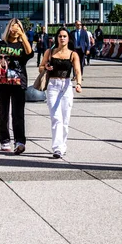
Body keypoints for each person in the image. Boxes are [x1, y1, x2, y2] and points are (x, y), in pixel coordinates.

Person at [0, 18, 33, 154]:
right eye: (13, 27)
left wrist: (22, 35)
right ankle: (4, 139)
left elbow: (30, 53)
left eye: (18, 27)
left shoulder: (22, 45)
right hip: (2, 83)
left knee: (18, 113)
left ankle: (20, 141)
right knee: (4, 113)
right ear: (8, 29)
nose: (15, 30)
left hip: (18, 83)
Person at [39, 27, 83, 158]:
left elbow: (77, 71)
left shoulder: (73, 54)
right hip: (53, 85)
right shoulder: (50, 52)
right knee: (56, 117)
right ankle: (57, 148)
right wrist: (45, 67)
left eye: (64, 36)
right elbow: (40, 67)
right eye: (60, 36)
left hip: (66, 86)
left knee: (65, 119)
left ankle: (63, 145)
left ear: (68, 38)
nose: (62, 38)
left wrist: (79, 84)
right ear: (56, 38)